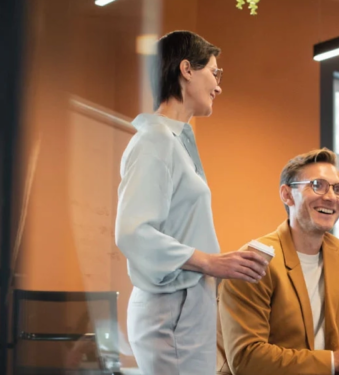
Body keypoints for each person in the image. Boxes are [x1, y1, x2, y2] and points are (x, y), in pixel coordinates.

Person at [115, 31, 268, 375]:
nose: (219, 86)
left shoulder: (176, 142)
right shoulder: (155, 142)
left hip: (186, 303)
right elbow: (133, 233)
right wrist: (211, 262)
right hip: (171, 307)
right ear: (186, 69)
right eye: (215, 73)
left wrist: (216, 265)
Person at [216, 148, 339, 375]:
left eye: (338, 189)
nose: (330, 197)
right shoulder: (254, 259)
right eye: (317, 185)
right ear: (287, 195)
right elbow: (247, 359)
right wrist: (333, 361)